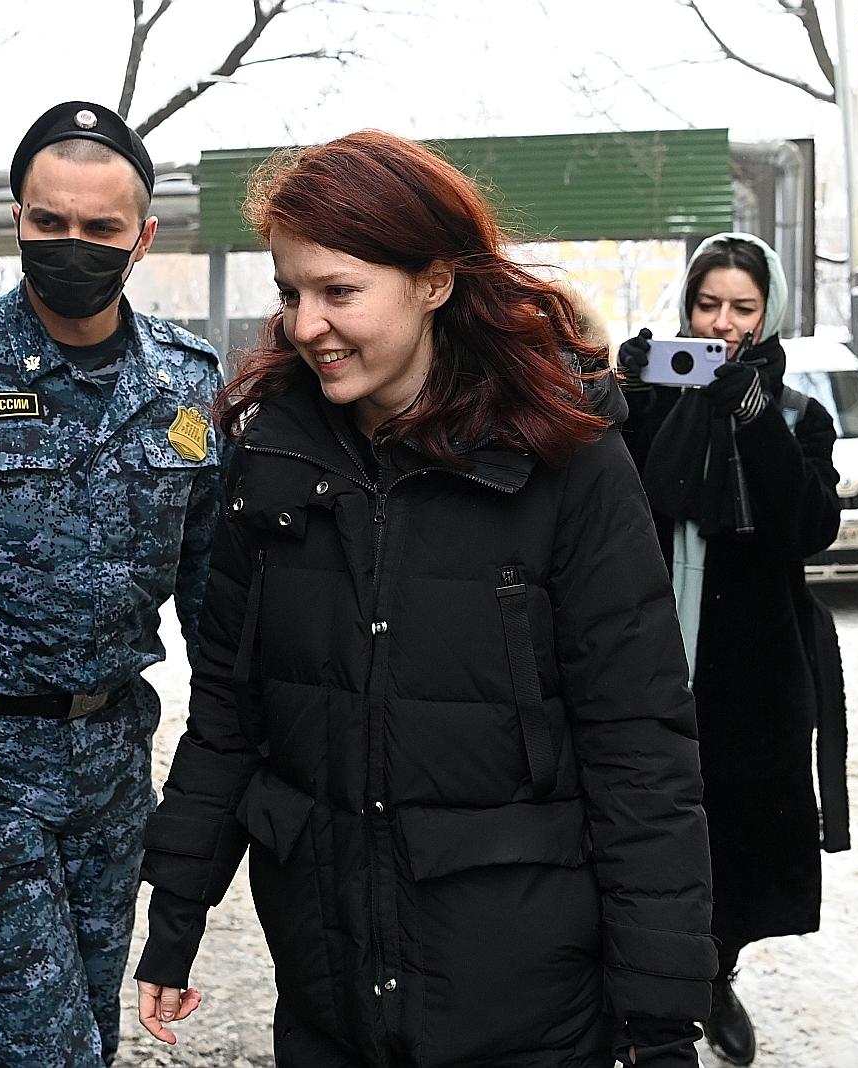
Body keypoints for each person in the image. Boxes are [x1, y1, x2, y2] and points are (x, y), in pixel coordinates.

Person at [131, 130, 717, 1068]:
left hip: (527, 1008)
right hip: (329, 997)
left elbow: (640, 750)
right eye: (289, 293)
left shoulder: (567, 463)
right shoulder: (271, 461)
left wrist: (658, 1019)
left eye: (338, 291)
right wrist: (176, 913)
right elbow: (231, 716)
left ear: (435, 282)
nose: (304, 324)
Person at [0, 99, 225, 1066]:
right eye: (49, 222)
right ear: (17, 218)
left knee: (90, 1024)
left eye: (99, 228)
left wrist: (225, 755)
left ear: (142, 237)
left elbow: (209, 582)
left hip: (115, 756)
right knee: (47, 1055)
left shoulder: (187, 385)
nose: (70, 243)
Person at [614, 232, 844, 1067]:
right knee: (647, 822)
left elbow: (810, 530)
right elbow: (611, 503)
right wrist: (626, 393)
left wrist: (751, 418)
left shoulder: (795, 414)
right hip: (651, 645)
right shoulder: (650, 397)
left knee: (741, 833)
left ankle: (717, 974)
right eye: (707, 305)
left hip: (751, 664)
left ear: (770, 311)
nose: (722, 324)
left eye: (742, 308)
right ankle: (654, 988)